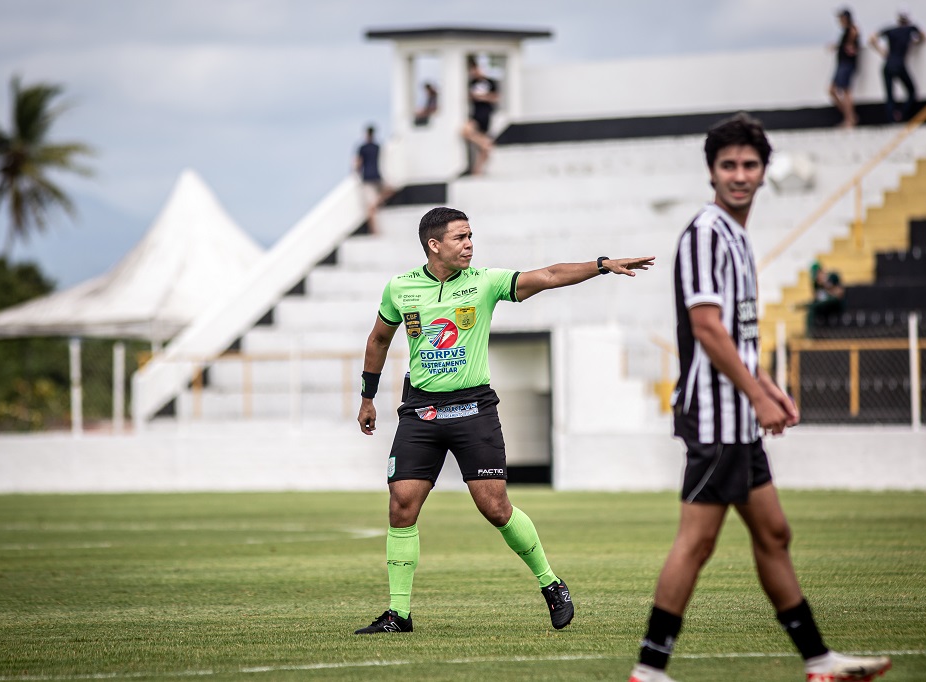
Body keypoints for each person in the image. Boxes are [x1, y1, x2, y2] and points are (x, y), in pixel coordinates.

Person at [627, 114, 892, 682]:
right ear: (711, 173)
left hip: (739, 416)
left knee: (774, 534)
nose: (740, 175)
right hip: (716, 416)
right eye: (729, 165)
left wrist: (769, 387)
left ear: (765, 172)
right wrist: (758, 395)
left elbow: (740, 335)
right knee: (696, 543)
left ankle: (819, 662)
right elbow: (707, 329)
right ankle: (649, 671)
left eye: (750, 164)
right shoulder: (706, 233)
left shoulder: (738, 236)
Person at [354, 206, 655, 635]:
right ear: (433, 245)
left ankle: (551, 584)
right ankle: (398, 614)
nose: (470, 244)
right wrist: (367, 397)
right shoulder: (400, 288)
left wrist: (602, 265)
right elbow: (379, 339)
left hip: (474, 408)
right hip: (420, 411)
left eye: (471, 235)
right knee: (401, 507)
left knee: (494, 507)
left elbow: (548, 275)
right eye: (460, 237)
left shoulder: (486, 282)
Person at [869, 8, 926, 123]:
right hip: (899, 65)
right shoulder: (910, 29)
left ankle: (892, 119)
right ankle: (903, 114)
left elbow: (872, 38)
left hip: (888, 65)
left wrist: (882, 51)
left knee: (890, 96)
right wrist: (915, 42)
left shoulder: (891, 30)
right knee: (911, 91)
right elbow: (924, 36)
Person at [461, 56, 499, 175]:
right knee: (466, 131)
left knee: (485, 151)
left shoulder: (491, 82)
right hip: (475, 116)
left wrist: (480, 97)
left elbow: (495, 97)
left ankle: (477, 171)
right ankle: (484, 142)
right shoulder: (471, 83)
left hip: (486, 117)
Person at [355, 125, 393, 234]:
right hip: (377, 176)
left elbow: (358, 163)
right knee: (390, 190)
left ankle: (374, 231)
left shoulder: (362, 148)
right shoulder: (377, 146)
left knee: (370, 208)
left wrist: (356, 172)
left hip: (368, 178)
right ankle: (379, 201)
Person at [829, 8, 860, 127]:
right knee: (832, 90)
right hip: (842, 64)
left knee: (846, 91)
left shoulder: (852, 29)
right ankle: (850, 117)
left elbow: (851, 45)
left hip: (847, 64)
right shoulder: (845, 31)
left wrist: (850, 45)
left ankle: (850, 119)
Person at [808, 261, 846, 333]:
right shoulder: (816, 284)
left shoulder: (833, 277)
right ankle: (811, 335)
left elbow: (840, 293)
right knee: (812, 307)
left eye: (818, 275)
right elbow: (817, 297)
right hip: (824, 306)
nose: (817, 279)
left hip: (835, 304)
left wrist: (826, 285)